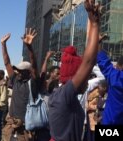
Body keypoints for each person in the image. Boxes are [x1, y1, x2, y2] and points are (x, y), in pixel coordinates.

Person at [48, 0, 101, 140]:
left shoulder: (58, 94)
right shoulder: (65, 94)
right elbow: (88, 62)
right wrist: (94, 23)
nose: (86, 80)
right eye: (85, 77)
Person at [1, 28, 46, 141]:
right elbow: (7, 63)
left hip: (26, 129)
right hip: (12, 126)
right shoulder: (15, 80)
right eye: (17, 70)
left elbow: (34, 66)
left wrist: (29, 47)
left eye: (21, 70)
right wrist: (3, 45)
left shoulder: (33, 83)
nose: (18, 72)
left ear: (28, 72)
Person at [96, 35, 123, 125]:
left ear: (120, 66)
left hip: (110, 123)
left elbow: (104, 63)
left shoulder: (116, 77)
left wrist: (98, 42)